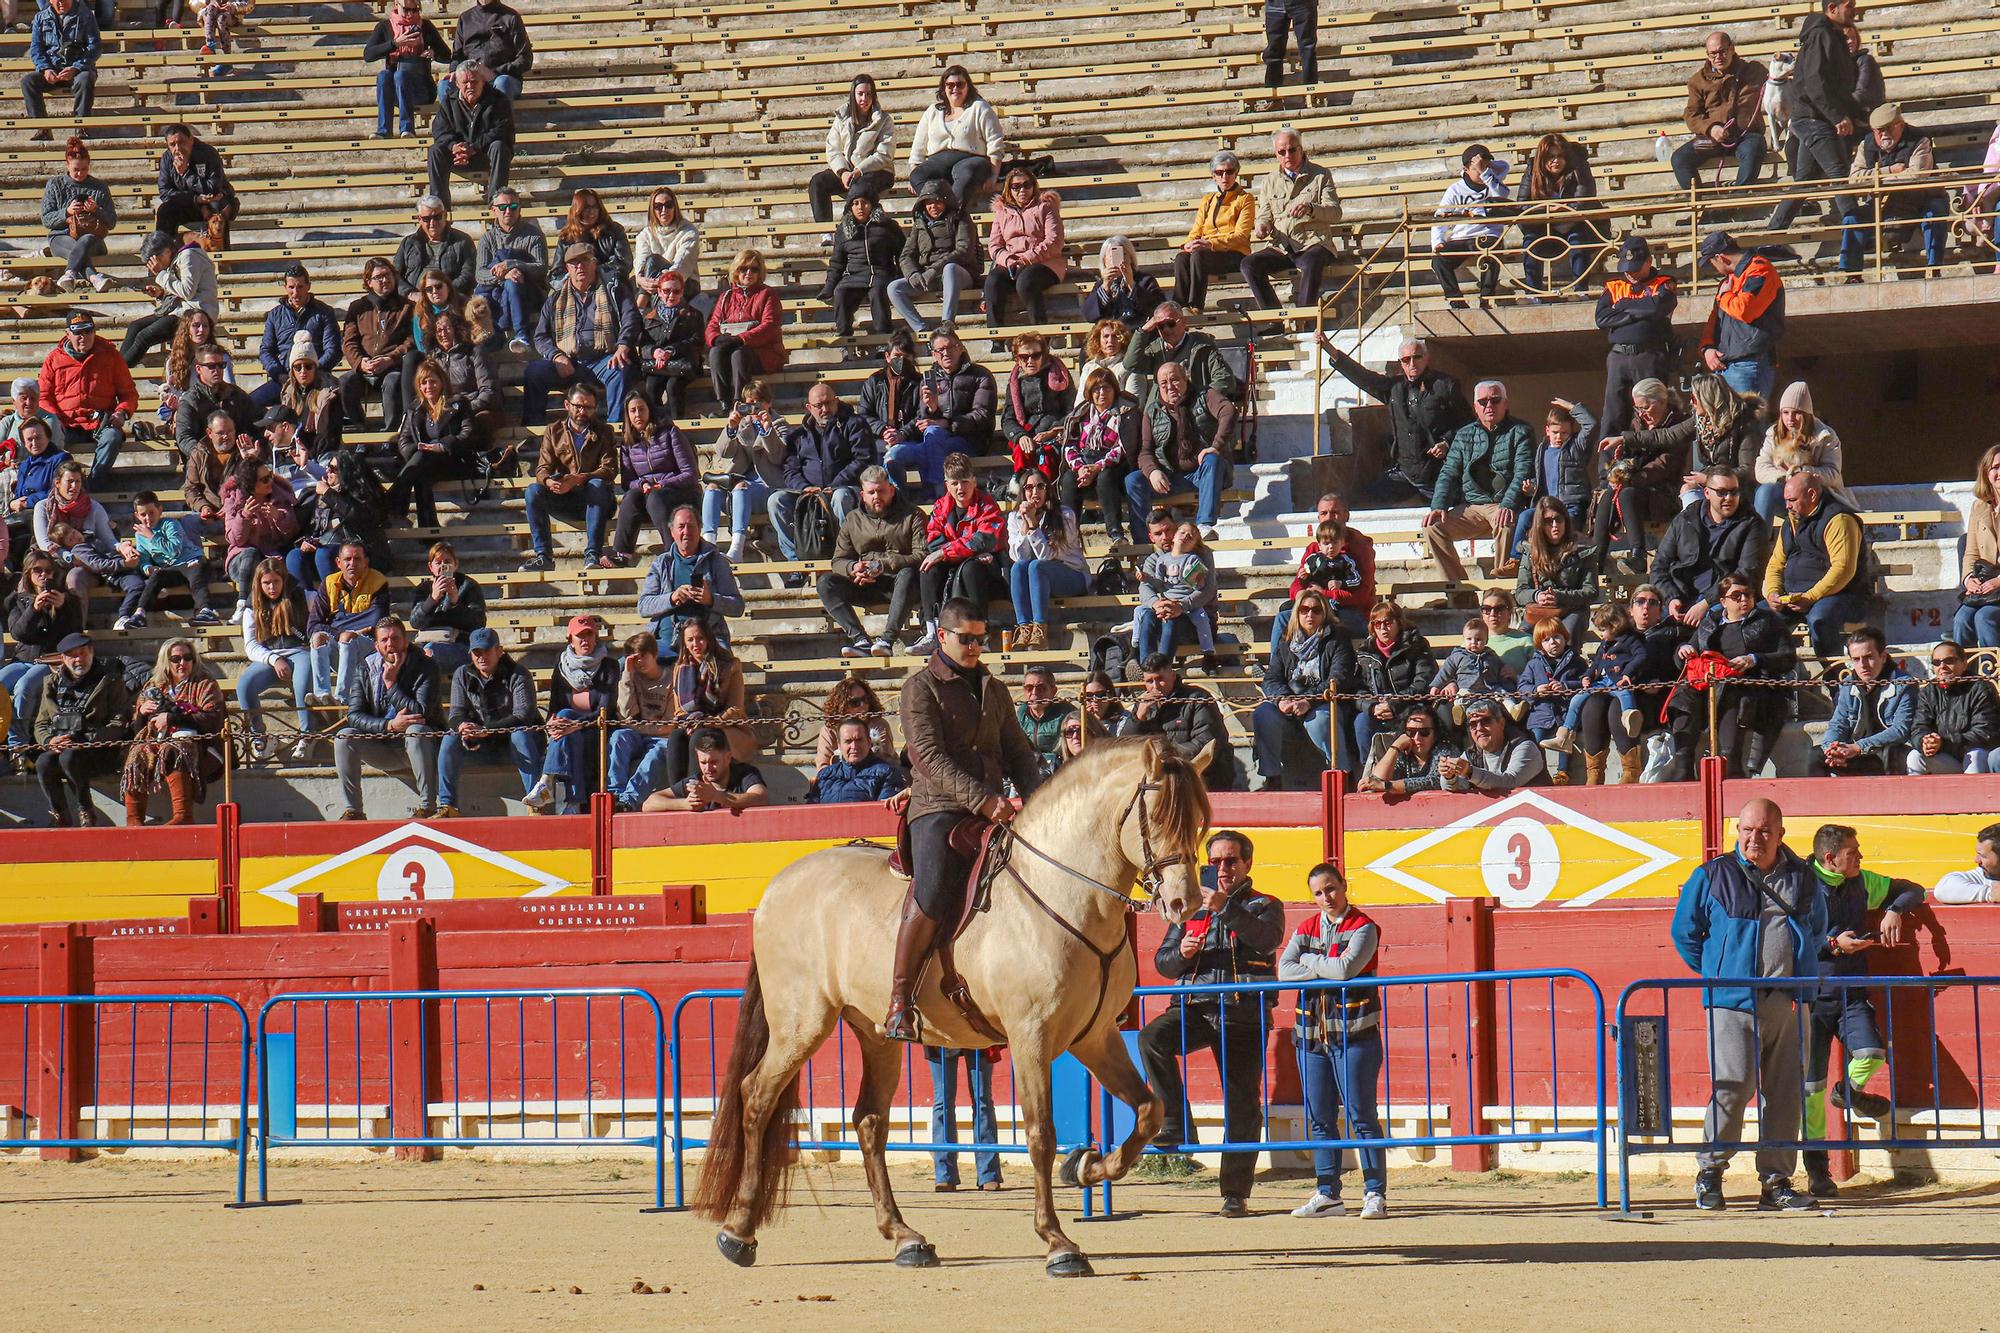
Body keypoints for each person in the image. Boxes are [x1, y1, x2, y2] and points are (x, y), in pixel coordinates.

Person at [887, 591, 1039, 1039]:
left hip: (991, 808)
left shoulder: (994, 687)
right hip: (937, 809)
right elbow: (929, 758)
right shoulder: (919, 688)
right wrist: (984, 800)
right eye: (966, 639)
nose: (974, 647)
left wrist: (1041, 798)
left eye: (980, 639)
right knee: (933, 891)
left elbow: (1017, 750)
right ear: (942, 636)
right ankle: (899, 999)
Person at [1672, 797, 1825, 1213]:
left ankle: (1776, 1181)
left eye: (1763, 831)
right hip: (1732, 1000)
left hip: (1788, 1001)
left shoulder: (1804, 878)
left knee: (1786, 1093)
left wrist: (1796, 976)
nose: (1753, 838)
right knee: (1733, 1088)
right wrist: (1717, 975)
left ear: (1780, 834)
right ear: (1737, 831)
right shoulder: (1712, 875)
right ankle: (1710, 1172)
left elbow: (1816, 930)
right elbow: (1685, 933)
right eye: (1746, 830)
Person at [1140, 829, 1283, 1216]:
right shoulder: (1189, 908)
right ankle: (1175, 1123)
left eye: (1231, 860)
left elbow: (1266, 940)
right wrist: (1182, 953)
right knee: (1152, 1038)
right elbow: (1163, 963)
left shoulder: (1265, 904)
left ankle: (1235, 1193)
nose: (1222, 868)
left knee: (1242, 1102)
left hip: (1242, 1011)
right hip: (1196, 1007)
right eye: (1215, 861)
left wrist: (1224, 908)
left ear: (1247, 864)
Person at [1801, 825, 1917, 1195]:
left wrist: (1894, 910)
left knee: (1871, 1053)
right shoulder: (1801, 884)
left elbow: (1910, 888)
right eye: (1854, 851)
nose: (1861, 856)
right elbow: (1788, 935)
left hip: (1850, 992)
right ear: (1830, 858)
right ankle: (1818, 1170)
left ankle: (1848, 1094)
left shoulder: (1862, 881)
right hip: (1809, 994)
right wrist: (1833, 944)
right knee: (1811, 1089)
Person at [1279, 861, 1385, 1220]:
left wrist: (1308, 961)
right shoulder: (1307, 927)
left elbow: (1346, 970)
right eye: (1318, 893)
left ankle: (1375, 1193)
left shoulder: (1364, 926)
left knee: (1361, 1115)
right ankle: (1328, 1194)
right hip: (1312, 1037)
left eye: (1331, 889)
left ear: (1344, 885)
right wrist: (1323, 962)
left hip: (1355, 1033)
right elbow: (1283, 970)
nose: (1326, 897)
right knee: (1320, 1116)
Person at [1666, 573, 1794, 780]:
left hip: (1750, 685)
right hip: (1708, 683)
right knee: (1682, 697)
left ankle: (1729, 763)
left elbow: (1788, 657)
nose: (1744, 600)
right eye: (1737, 596)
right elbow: (1683, 656)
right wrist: (1684, 649)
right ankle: (1683, 765)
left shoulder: (1769, 621)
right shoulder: (1710, 623)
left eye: (1748, 595)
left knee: (1731, 691)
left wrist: (1754, 659)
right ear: (1723, 601)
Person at [1318, 336, 1469, 505]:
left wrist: (1447, 442)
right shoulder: (1394, 388)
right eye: (1406, 359)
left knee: (1453, 510)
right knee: (1359, 501)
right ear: (1401, 363)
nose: (1412, 364)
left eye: (1417, 357)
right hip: (1404, 473)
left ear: (1427, 358)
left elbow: (1468, 423)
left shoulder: (1445, 385)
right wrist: (1331, 351)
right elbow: (1365, 378)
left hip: (1439, 472)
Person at [1423, 379, 1533, 594]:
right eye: (1483, 402)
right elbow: (1448, 472)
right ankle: (1461, 593)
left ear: (1505, 404)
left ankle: (1502, 595)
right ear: (1475, 407)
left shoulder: (1521, 431)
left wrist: (1508, 504)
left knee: (1506, 521)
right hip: (1472, 507)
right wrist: (1439, 505)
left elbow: (1523, 471)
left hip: (1501, 504)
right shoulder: (1464, 435)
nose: (1489, 406)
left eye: (1495, 400)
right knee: (1432, 527)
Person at [1766, 0, 1862, 234]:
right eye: (1849, 5)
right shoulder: (1821, 35)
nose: (1854, 11)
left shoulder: (1830, 35)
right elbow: (1815, 82)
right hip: (1813, 118)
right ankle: (1860, 237)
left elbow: (1834, 84)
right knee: (1839, 175)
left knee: (1805, 180)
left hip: (1814, 116)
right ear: (1832, 8)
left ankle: (1769, 239)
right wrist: (1837, 116)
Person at [331, 617, 442, 820]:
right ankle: (353, 810)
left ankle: (428, 807)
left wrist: (391, 684)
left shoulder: (426, 666)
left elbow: (421, 712)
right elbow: (354, 715)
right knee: (344, 736)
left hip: (422, 747)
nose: (390, 644)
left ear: (405, 641)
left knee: (415, 731)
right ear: (377, 645)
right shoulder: (365, 668)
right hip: (383, 746)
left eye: (395, 638)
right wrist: (388, 725)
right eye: (384, 640)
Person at [524, 245, 640, 428]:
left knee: (620, 369)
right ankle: (533, 428)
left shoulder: (613, 289)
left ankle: (615, 429)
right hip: (569, 361)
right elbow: (540, 337)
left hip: (604, 359)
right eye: (574, 263)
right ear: (567, 268)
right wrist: (556, 356)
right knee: (534, 372)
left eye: (584, 261)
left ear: (594, 263)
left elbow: (631, 318)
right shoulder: (555, 298)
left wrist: (623, 346)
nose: (580, 267)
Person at [434, 625, 543, 818]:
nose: (481, 656)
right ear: (470, 654)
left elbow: (523, 716)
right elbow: (455, 714)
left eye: (486, 650)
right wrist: (463, 726)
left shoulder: (519, 674)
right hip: (480, 744)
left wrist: (486, 730)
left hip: (516, 742)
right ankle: (447, 804)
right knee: (450, 737)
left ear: (499, 651)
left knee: (520, 734)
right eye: (476, 652)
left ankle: (535, 802)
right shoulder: (462, 674)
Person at [1765, 469, 1871, 661]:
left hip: (1841, 596)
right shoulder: (1789, 523)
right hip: (1793, 598)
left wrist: (1810, 597)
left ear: (1812, 495)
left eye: (1792, 500)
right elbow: (1775, 565)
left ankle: (1836, 682)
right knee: (1756, 619)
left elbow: (1843, 569)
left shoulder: (1839, 520)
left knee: (1820, 621)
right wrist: (1773, 593)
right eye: (1786, 500)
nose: (1787, 506)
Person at [1253, 588, 1353, 789]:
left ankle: (1343, 775)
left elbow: (1339, 678)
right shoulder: (1286, 641)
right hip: (1290, 700)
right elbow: (1272, 678)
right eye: (1304, 610)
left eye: (1316, 610)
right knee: (1263, 714)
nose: (1310, 615)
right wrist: (1282, 699)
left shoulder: (1338, 638)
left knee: (1320, 721)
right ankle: (1272, 778)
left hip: (1323, 701)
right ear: (1297, 613)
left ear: (1324, 613)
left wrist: (1308, 701)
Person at [819, 466, 924, 656]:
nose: (877, 496)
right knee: (826, 583)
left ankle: (887, 640)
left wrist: (884, 564)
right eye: (871, 492)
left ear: (891, 490)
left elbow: (921, 555)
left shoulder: (913, 515)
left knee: (907, 574)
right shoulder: (852, 520)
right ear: (863, 494)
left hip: (902, 585)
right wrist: (853, 568)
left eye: (881, 491)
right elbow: (838, 561)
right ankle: (860, 641)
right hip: (866, 584)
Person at [118, 637, 222, 827]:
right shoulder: (152, 686)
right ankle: (134, 819)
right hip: (155, 742)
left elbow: (212, 719)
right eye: (176, 659)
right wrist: (141, 714)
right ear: (166, 661)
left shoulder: (205, 684)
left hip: (201, 745)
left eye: (187, 658)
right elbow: (135, 729)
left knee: (174, 750)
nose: (182, 663)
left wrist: (173, 718)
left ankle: (183, 815)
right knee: (137, 753)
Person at [883, 329, 995, 503]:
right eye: (940, 350)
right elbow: (923, 418)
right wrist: (932, 408)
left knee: (933, 434)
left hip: (969, 440)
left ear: (961, 348)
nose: (945, 353)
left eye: (950, 347)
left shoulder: (980, 375)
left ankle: (936, 495)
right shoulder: (929, 378)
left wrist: (947, 423)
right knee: (894, 454)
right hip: (933, 443)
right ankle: (900, 501)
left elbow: (982, 415)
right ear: (934, 354)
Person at [1653, 464, 1768, 629]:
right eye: (1721, 492)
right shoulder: (1685, 520)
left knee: (1709, 625)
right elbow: (1659, 565)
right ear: (1707, 493)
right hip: (1682, 596)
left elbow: (1747, 573)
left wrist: (1705, 603)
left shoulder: (1752, 524)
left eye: (1734, 492)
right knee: (1648, 620)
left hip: (1723, 600)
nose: (1729, 498)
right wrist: (1671, 598)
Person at [770, 382, 870, 570]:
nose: (825, 409)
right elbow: (790, 471)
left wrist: (836, 484)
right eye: (818, 406)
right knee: (776, 501)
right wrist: (804, 487)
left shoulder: (855, 424)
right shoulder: (798, 435)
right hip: (808, 494)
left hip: (845, 488)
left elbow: (863, 460)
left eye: (828, 403)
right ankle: (795, 563)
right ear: (809, 408)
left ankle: (848, 557)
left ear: (836, 402)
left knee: (841, 498)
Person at [1130, 362, 1235, 540]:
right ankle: (1142, 540)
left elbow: (1229, 411)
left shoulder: (1205, 395)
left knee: (1212, 459)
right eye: (1163, 383)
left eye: (1175, 380)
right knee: (1133, 480)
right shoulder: (1152, 411)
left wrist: (1215, 446)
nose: (1169, 386)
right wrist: (1153, 471)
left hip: (1204, 473)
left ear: (1185, 378)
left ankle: (1204, 525)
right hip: (1169, 477)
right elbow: (1145, 451)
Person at [1241, 129, 1342, 316]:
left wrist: (1312, 208)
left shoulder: (1321, 175)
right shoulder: (1269, 181)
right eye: (1282, 152)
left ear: (1301, 149)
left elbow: (1335, 213)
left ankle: (1304, 318)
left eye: (1292, 150)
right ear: (1276, 154)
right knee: (1249, 264)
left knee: (1312, 260)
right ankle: (1274, 318)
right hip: (1282, 246)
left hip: (1313, 242)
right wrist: (1262, 226)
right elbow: (1264, 215)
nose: (1288, 155)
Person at [517, 382, 616, 571]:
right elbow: (542, 468)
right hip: (565, 498)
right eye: (578, 406)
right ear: (567, 405)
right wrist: (549, 481)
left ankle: (592, 554)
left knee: (596, 484)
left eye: (588, 407)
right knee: (533, 491)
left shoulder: (605, 431)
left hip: (598, 499)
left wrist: (579, 478)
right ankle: (543, 557)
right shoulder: (554, 431)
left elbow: (610, 469)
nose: (583, 411)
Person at [911, 453, 1003, 655]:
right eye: (954, 483)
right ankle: (932, 632)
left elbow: (985, 539)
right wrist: (964, 552)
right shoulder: (940, 507)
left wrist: (947, 551)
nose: (960, 488)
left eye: (964, 482)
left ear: (973, 480)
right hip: (956, 564)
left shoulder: (987, 505)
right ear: (946, 484)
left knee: (972, 568)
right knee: (929, 567)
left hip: (987, 571)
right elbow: (934, 543)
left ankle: (981, 634)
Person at [33, 633, 128, 826]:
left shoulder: (110, 679)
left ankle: (86, 809)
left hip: (99, 750)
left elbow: (120, 721)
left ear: (92, 652)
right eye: (72, 655)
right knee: (43, 762)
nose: (78, 659)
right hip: (62, 746)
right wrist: (50, 741)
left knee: (69, 757)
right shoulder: (51, 684)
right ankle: (60, 814)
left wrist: (88, 740)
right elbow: (40, 724)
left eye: (82, 653)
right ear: (63, 659)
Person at [1840, 103, 1947, 274]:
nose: (1883, 134)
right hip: (1883, 202)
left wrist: (1876, 179)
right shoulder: (1865, 145)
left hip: (1922, 198)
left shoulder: (1920, 139)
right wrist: (1888, 170)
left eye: (1888, 128)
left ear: (1901, 125)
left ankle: (1935, 268)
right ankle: (1852, 274)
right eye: (1878, 130)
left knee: (1934, 215)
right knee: (1852, 218)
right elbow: (1854, 179)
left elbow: (1916, 176)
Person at [1588, 378, 1683, 567]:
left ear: (1662, 402)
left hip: (1662, 491)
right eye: (1638, 408)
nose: (1642, 413)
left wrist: (1632, 480)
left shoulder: (1678, 426)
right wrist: (1619, 465)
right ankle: (1596, 557)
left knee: (1626, 494)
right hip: (1634, 485)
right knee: (1607, 495)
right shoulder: (1636, 422)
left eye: (1645, 407)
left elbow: (1664, 465)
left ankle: (1638, 555)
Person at [532, 613, 620, 814]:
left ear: (596, 637)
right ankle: (570, 801)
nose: (585, 640)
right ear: (570, 639)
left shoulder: (609, 666)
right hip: (569, 732)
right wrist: (552, 723)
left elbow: (606, 710)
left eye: (589, 634)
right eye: (580, 635)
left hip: (597, 729)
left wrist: (574, 725)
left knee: (568, 724)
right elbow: (554, 707)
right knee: (564, 721)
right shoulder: (561, 668)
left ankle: (547, 781)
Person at [38, 312, 135, 488]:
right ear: (68, 334)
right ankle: (54, 488)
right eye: (78, 333)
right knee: (45, 432)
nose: (83, 337)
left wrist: (121, 412)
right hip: (66, 423)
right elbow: (43, 397)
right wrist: (55, 418)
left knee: (112, 437)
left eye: (88, 331)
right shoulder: (53, 359)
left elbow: (128, 393)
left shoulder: (110, 355)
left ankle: (94, 486)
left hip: (100, 423)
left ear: (95, 332)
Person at [1594, 235, 1678, 436]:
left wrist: (1622, 307)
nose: (1630, 273)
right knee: (1614, 412)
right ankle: (1608, 465)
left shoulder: (1663, 283)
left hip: (1648, 355)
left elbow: (1658, 308)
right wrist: (1637, 313)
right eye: (1626, 267)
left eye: (1635, 267)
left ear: (1648, 262)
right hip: (1619, 356)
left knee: (1652, 410)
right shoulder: (1614, 286)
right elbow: (1602, 319)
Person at [1505, 398, 1596, 574]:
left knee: (1560, 529)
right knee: (1525, 517)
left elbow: (1591, 424)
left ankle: (1562, 566)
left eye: (1564, 433)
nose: (1559, 437)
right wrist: (1532, 489)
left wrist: (1572, 408)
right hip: (1546, 506)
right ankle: (1515, 560)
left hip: (1571, 505)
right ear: (1547, 430)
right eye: (1555, 432)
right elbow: (1545, 482)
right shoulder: (1542, 450)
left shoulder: (1576, 447)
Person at [699, 380, 785, 563]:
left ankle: (737, 548)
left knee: (741, 486)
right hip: (737, 486)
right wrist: (731, 428)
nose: (752, 408)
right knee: (712, 487)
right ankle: (708, 544)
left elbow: (778, 457)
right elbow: (722, 451)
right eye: (749, 403)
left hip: (767, 486)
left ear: (768, 403)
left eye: (757, 403)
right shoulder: (742, 424)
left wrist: (767, 430)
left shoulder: (779, 424)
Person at [235, 557, 312, 760]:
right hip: (269, 655)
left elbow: (323, 614)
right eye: (266, 583)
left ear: (284, 580)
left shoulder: (302, 596)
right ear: (259, 584)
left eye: (276, 582)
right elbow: (251, 646)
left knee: (302, 683)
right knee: (244, 685)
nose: (271, 587)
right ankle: (260, 736)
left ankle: (307, 734)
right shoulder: (252, 608)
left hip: (300, 651)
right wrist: (273, 660)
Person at [388, 358, 479, 528]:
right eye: (424, 382)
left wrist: (441, 446)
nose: (428, 386)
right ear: (419, 386)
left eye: (433, 381)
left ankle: (394, 502)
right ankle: (429, 529)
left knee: (419, 464)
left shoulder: (459, 404)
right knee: (420, 471)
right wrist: (419, 449)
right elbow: (404, 441)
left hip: (452, 461)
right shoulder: (414, 409)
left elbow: (468, 434)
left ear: (442, 382)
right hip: (423, 463)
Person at [1811, 626, 1914, 777]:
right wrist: (1832, 749)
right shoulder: (1847, 685)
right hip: (1854, 752)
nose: (1862, 665)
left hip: (1884, 752)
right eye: (1856, 659)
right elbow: (1838, 723)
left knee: (1892, 752)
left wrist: (1858, 747)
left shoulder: (1903, 684)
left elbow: (1900, 730)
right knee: (1816, 755)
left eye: (1869, 657)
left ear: (1883, 657)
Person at [636, 505, 745, 646]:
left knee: (723, 664)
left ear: (699, 529)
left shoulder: (716, 561)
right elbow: (643, 607)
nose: (686, 531)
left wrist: (710, 599)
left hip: (707, 640)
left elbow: (737, 607)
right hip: (665, 640)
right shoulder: (662, 563)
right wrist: (672, 598)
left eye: (691, 526)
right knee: (628, 662)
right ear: (672, 532)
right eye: (681, 527)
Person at [1673, 31, 1769, 191]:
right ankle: (1704, 206)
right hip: (1712, 139)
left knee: (1754, 149)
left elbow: (1777, 77)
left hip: (1745, 136)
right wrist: (1711, 129)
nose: (1718, 57)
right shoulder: (1698, 81)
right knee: (1680, 159)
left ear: (1732, 49)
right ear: (1707, 55)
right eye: (1713, 54)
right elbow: (1691, 115)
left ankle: (1739, 199)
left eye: (1722, 51)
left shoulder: (1753, 71)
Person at [1695, 230, 1785, 400]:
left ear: (1720, 257)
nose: (1714, 268)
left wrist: (1724, 296)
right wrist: (1707, 348)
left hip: (1751, 363)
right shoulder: (1730, 280)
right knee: (1730, 424)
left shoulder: (1760, 270)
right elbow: (1715, 320)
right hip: (1727, 364)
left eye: (1711, 262)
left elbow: (1745, 310)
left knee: (1749, 423)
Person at [1, 554, 79, 748]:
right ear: (28, 573)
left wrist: (61, 609)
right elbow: (18, 633)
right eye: (37, 570)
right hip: (23, 660)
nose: (43, 574)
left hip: (51, 661)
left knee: (24, 686)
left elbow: (74, 635)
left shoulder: (68, 600)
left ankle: (18, 747)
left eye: (48, 570)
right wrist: (34, 609)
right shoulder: (17, 600)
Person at [1005, 471, 1086, 653]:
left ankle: (1040, 630)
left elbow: (1047, 556)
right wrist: (1025, 525)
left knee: (1036, 566)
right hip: (1038, 579)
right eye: (1029, 488)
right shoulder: (1014, 517)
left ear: (1048, 490)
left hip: (1071, 575)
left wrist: (1034, 525)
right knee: (1018, 567)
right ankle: (1024, 628)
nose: (1035, 492)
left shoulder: (1065, 514)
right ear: (1023, 492)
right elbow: (1018, 557)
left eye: (1040, 486)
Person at [1131, 653, 1237, 790]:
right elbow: (1128, 742)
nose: (1155, 686)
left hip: (1200, 775)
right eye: (1149, 681)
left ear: (1173, 676)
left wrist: (1166, 759)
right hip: (1157, 777)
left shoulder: (1197, 699)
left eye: (1160, 679)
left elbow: (1206, 741)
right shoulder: (1142, 704)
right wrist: (1139, 717)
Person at [1060, 367, 1140, 544]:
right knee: (1069, 479)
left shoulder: (1126, 412)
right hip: (1085, 465)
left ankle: (1115, 532)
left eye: (1107, 388)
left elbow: (1124, 447)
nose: (1102, 393)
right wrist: (1081, 468)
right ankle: (1068, 535)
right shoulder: (1080, 414)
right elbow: (1070, 444)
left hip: (1115, 468)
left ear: (1114, 390)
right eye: (1096, 389)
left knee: (1105, 476)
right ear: (1089, 392)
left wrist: (1097, 467)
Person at [888, 179, 979, 335]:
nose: (933, 206)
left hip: (959, 273)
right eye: (928, 203)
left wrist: (935, 269)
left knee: (949, 269)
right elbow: (906, 255)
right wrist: (913, 274)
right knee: (894, 288)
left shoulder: (960, 218)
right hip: (928, 277)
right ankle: (921, 328)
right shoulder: (919, 224)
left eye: (936, 202)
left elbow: (964, 250)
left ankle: (947, 322)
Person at [906, 64, 1004, 207]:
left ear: (968, 86)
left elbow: (995, 142)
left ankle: (952, 212)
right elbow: (918, 146)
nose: (955, 89)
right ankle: (938, 209)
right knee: (917, 176)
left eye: (960, 84)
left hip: (971, 159)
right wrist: (916, 171)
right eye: (950, 85)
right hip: (938, 162)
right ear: (944, 88)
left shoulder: (979, 107)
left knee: (965, 173)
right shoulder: (933, 111)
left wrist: (993, 175)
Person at [1515, 132, 1598, 298]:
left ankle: (1581, 290)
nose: (1555, 161)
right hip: (1541, 225)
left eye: (1560, 156)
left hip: (1573, 223)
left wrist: (1562, 210)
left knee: (1577, 239)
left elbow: (1584, 199)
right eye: (1550, 157)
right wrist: (1546, 210)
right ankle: (1533, 293)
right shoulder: (1532, 169)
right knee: (1530, 242)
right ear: (1542, 159)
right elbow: (1522, 204)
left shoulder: (1578, 167)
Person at [306, 540, 390, 705]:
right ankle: (322, 695)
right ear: (339, 562)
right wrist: (340, 632)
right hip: (340, 647)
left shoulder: (378, 582)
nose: (352, 563)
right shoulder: (329, 583)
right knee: (318, 638)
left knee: (347, 638)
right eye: (347, 559)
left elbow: (376, 622)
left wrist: (337, 625)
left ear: (366, 561)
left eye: (357, 559)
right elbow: (313, 625)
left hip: (369, 649)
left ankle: (342, 698)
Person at [811, 74, 896, 233]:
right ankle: (825, 233)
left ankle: (848, 230)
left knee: (859, 186)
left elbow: (884, 155)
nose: (864, 98)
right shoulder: (842, 117)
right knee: (818, 182)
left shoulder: (884, 120)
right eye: (860, 94)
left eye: (869, 94)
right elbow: (833, 149)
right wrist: (842, 172)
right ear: (853, 94)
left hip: (877, 172)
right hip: (848, 172)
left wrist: (859, 171)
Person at [1353, 601, 1434, 767]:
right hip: (1378, 709)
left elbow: (1422, 682)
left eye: (1388, 623)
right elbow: (1357, 689)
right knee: (1361, 722)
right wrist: (1372, 707)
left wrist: (1394, 704)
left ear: (1399, 622)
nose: (1383, 628)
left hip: (1409, 705)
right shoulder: (1365, 651)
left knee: (1417, 720)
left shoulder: (1416, 645)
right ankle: (1368, 769)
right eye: (1377, 624)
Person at [1124, 300, 1240, 415]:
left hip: (1196, 412)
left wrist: (1200, 401)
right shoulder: (1155, 349)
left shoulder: (1202, 345)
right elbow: (1131, 364)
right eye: (1160, 326)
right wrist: (1143, 331)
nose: (1166, 330)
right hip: (1163, 413)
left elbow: (1224, 379)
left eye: (1171, 324)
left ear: (1184, 322)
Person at [338, 258, 414, 433]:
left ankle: (391, 434)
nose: (385, 280)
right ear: (368, 282)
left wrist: (390, 359)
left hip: (392, 366)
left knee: (393, 381)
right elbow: (349, 341)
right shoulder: (357, 307)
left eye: (388, 275)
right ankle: (359, 430)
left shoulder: (407, 307)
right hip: (365, 368)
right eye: (379, 277)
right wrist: (360, 363)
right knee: (345, 382)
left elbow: (411, 341)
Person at [982, 168, 1065, 329]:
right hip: (1012, 264)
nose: (1022, 190)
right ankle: (996, 338)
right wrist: (1008, 259)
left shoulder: (1045, 207)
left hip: (1044, 263)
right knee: (993, 281)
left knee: (1027, 281)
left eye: (1027, 185)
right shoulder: (1002, 212)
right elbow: (994, 245)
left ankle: (1040, 332)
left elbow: (1054, 240)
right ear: (1009, 189)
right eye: (1016, 186)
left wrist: (1026, 258)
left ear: (1034, 186)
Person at [819, 186, 904, 341]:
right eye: (856, 203)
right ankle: (844, 339)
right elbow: (837, 262)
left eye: (864, 202)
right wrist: (829, 286)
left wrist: (902, 276)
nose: (860, 207)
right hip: (854, 276)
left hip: (881, 273)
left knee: (877, 293)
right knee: (841, 292)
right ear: (850, 207)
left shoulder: (888, 226)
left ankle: (883, 340)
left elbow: (902, 254)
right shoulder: (843, 230)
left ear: (872, 205)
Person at [122, 231, 217, 370]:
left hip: (196, 313)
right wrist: (161, 294)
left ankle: (116, 374)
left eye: (157, 260)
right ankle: (116, 365)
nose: (156, 265)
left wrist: (161, 274)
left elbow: (187, 291)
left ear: (167, 252)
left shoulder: (189, 256)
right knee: (135, 327)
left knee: (144, 337)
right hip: (181, 309)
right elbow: (182, 292)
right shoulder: (179, 258)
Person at [705, 249, 787, 410]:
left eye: (754, 269)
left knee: (739, 354)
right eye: (743, 269)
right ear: (736, 271)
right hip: (732, 347)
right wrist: (716, 338)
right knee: (715, 352)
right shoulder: (726, 297)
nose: (748, 273)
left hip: (763, 352)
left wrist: (741, 339)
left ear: (760, 272)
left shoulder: (767, 294)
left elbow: (769, 326)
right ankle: (724, 402)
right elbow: (713, 324)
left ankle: (738, 401)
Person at [253, 265, 342, 412]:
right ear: (285, 287)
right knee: (250, 404)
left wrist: (311, 371)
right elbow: (266, 350)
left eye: (300, 287)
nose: (295, 293)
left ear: (308, 286)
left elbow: (333, 349)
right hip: (284, 379)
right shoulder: (275, 315)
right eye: (291, 287)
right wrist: (279, 374)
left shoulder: (324, 312)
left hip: (317, 378)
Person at [1752, 381, 1846, 521]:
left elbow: (1833, 474)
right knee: (1765, 492)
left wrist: (1802, 473)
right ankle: (1759, 541)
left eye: (1796, 413)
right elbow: (1761, 468)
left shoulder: (1825, 436)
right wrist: (1787, 478)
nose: (1790, 419)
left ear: (1807, 414)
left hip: (1817, 496)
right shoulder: (1773, 434)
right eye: (1785, 412)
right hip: (1784, 493)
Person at [1174, 152, 1254, 312]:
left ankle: (1195, 306)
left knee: (1199, 256)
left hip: (1234, 253)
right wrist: (1188, 244)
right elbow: (1196, 230)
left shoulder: (1245, 199)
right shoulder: (1207, 200)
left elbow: (1240, 236)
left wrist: (1210, 244)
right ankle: (1178, 307)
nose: (1225, 176)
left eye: (1229, 172)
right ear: (1213, 176)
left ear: (1236, 173)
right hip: (1208, 253)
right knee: (1181, 257)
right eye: (1219, 172)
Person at [428, 61, 513, 211]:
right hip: (457, 157)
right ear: (457, 83)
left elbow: (501, 130)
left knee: (499, 146)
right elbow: (440, 130)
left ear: (483, 81)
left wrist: (474, 147)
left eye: (474, 81)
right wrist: (454, 146)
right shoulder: (449, 101)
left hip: (485, 155)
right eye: (465, 82)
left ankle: (496, 204)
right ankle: (439, 210)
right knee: (435, 150)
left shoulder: (498, 99)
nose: (470, 86)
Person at [1431, 144, 1511, 303]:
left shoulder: (1493, 182)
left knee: (1491, 252)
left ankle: (1486, 299)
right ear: (1466, 169)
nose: (1483, 172)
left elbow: (1502, 197)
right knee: (1438, 260)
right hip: (1461, 237)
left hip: (1488, 234)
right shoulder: (1455, 189)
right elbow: (1440, 217)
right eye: (1478, 169)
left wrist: (1486, 172)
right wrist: (1437, 241)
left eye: (1487, 167)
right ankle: (1456, 300)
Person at [127, 490, 218, 627]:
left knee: (196, 578)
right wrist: (147, 567)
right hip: (173, 569)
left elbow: (173, 550)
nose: (148, 518)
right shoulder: (140, 535)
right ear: (137, 516)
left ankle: (206, 610)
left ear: (160, 510)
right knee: (157, 576)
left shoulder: (170, 524)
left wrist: (152, 536)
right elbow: (144, 557)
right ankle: (140, 613)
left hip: (191, 561)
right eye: (143, 514)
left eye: (151, 512)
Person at [1910, 638, 2000, 775]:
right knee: (1915, 757)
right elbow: (1918, 728)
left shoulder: (1980, 688)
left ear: (1964, 664)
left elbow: (1984, 733)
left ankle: (1972, 796)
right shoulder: (1928, 692)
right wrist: (1926, 742)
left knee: (1976, 755)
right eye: (1936, 662)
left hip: (1973, 755)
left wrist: (1944, 742)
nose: (1942, 666)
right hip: (1946, 756)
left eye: (1949, 661)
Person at [1515, 497, 1597, 644]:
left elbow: (1591, 591)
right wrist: (1537, 595)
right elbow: (1520, 592)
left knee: (1565, 638)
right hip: (1540, 610)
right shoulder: (1530, 551)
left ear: (1566, 521)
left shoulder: (1583, 550)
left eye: (1559, 520)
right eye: (1548, 521)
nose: (1555, 525)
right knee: (1523, 640)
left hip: (1573, 609)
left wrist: (1559, 596)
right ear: (1540, 524)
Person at [475, 189, 547, 353]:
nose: (508, 211)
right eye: (503, 207)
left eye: (513, 206)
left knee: (512, 282)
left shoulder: (533, 235)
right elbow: (480, 273)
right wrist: (503, 275)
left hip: (527, 292)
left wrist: (513, 264)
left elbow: (541, 268)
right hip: (497, 293)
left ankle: (522, 335)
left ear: (520, 208)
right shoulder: (487, 239)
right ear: (494, 210)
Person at [364, 0, 448, 139]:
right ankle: (384, 130)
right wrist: (395, 43)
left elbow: (447, 55)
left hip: (421, 87)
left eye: (414, 10)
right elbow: (368, 55)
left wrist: (434, 53)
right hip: (396, 91)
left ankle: (407, 128)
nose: (410, 14)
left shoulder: (425, 26)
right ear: (397, 5)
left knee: (401, 75)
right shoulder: (385, 26)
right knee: (384, 76)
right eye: (407, 10)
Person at [924, 1043, 1002, 1193]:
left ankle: (988, 1174)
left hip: (978, 1032)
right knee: (942, 1101)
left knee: (982, 1100)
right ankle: (944, 1175)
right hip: (941, 1034)